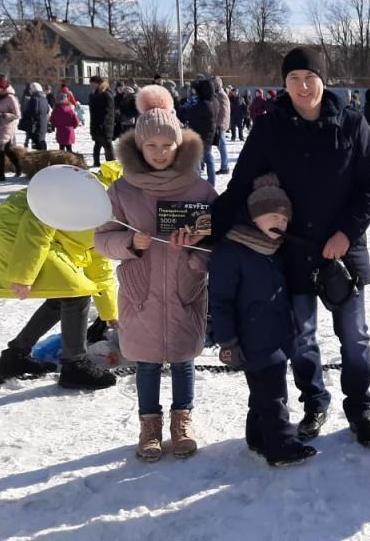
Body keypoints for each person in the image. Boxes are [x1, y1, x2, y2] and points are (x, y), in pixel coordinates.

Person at [211, 47, 370, 448]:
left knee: (355, 338)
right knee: (302, 338)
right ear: (284, 84)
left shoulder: (352, 124)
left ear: (323, 80)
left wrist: (346, 233)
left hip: (343, 253)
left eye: (310, 78)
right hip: (292, 253)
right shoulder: (270, 127)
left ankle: (360, 409)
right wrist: (206, 228)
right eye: (294, 79)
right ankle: (315, 403)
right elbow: (240, 186)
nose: (303, 87)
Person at [95, 85, 217, 462]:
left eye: (168, 145)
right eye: (152, 146)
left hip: (185, 287)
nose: (160, 152)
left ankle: (182, 421)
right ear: (139, 147)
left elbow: (219, 241)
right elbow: (101, 239)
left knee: (183, 360)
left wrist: (196, 254)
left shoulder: (200, 189)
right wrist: (130, 243)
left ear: (180, 146)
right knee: (146, 363)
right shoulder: (122, 190)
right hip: (141, 292)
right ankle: (149, 425)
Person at [209, 174, 318, 467]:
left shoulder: (274, 250)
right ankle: (282, 445)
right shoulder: (231, 252)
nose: (279, 223)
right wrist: (227, 341)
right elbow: (220, 301)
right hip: (251, 339)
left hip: (276, 335)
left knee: (263, 392)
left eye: (284, 219)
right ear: (253, 217)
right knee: (273, 395)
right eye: (272, 216)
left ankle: (258, 436)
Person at [0, 162, 119, 389]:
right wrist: (23, 274)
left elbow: (98, 261)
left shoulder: (114, 210)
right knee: (77, 293)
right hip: (16, 231)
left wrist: (109, 313)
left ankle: (14, 357)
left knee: (65, 294)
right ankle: (75, 365)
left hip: (39, 239)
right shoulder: (90, 191)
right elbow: (37, 223)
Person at [0, 75, 23, 181]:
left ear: (2, 87)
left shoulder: (10, 98)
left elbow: (17, 114)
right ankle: (19, 166)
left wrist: (3, 115)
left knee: (0, 149)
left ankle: (0, 175)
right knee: (7, 149)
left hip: (6, 126)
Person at [186, 77, 218, 185]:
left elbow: (191, 115)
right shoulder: (212, 101)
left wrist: (186, 110)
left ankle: (201, 183)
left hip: (202, 135)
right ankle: (211, 181)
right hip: (207, 134)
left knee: (199, 159)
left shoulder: (204, 104)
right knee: (207, 157)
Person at [88, 76, 115, 166]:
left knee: (107, 145)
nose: (91, 85)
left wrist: (102, 124)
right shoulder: (95, 94)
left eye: (92, 83)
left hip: (105, 125)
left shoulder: (106, 94)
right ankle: (96, 163)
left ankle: (111, 164)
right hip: (96, 124)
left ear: (98, 83)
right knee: (97, 144)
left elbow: (108, 112)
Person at [213, 76, 231, 174]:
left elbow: (224, 112)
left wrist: (220, 124)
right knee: (220, 146)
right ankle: (224, 166)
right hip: (219, 124)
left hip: (220, 125)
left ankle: (225, 167)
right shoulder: (217, 94)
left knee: (222, 145)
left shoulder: (221, 95)